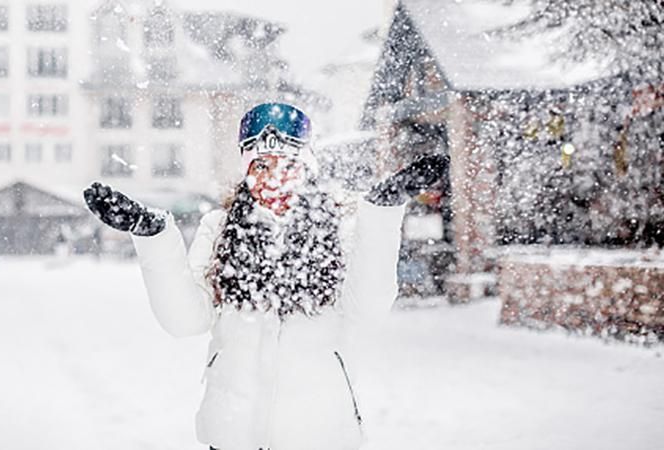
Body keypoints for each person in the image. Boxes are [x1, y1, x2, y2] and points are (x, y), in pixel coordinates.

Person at [84, 103, 448, 450]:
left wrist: (381, 213)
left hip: (318, 432)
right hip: (234, 432)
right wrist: (154, 236)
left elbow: (366, 310)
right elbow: (185, 321)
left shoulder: (341, 229)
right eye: (260, 165)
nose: (272, 179)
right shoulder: (220, 229)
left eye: (286, 164)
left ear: (307, 168)